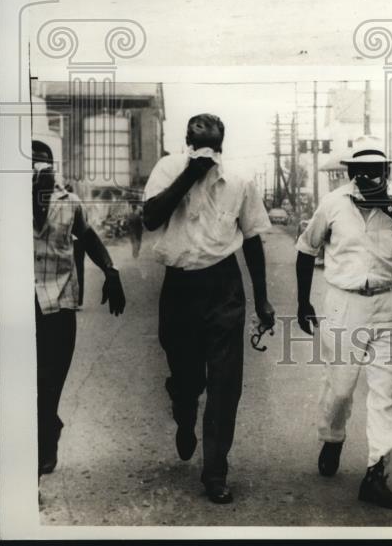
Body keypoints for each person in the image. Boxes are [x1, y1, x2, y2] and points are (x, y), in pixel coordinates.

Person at [295, 136, 392, 510]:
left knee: (386, 391)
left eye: (377, 171)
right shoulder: (333, 204)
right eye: (361, 171)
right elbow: (306, 249)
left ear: (387, 172)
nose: (369, 178)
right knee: (340, 389)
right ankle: (333, 437)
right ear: (351, 173)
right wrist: (301, 301)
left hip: (390, 304)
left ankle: (376, 473)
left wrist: (387, 204)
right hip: (344, 303)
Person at [142, 113, 275, 504]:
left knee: (224, 384)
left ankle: (215, 471)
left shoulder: (238, 179)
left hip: (224, 286)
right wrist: (190, 173)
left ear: (222, 145)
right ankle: (184, 412)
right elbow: (151, 218)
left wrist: (263, 299)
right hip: (180, 286)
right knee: (187, 380)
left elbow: (252, 238)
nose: (206, 153)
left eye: (213, 147)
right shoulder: (167, 170)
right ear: (186, 143)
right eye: (198, 146)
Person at [33, 140, 126, 477]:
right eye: (30, 165)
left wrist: (111, 271)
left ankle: (47, 431)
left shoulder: (68, 202)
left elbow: (87, 238)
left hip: (59, 304)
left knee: (50, 381)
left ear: (53, 168)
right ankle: (42, 436)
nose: (37, 172)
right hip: (20, 308)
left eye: (43, 165)